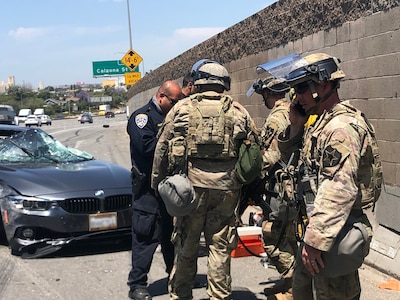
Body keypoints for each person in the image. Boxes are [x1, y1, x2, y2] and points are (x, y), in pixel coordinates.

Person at [151, 59, 259, 300]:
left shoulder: (181, 109)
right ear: (224, 84)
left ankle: (181, 295)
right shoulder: (239, 111)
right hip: (227, 190)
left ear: (198, 81)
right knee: (220, 248)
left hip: (190, 190)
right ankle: (219, 296)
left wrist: (158, 184)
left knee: (186, 247)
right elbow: (253, 154)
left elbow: (161, 150)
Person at [285, 53, 381, 300]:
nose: (298, 97)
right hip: (319, 227)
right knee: (302, 291)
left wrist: (315, 241)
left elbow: (339, 190)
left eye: (302, 89)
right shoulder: (320, 122)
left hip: (335, 233)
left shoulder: (340, 128)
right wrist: (296, 126)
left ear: (324, 84)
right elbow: (290, 160)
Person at [247, 70, 304, 300]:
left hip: (279, 186)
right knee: (289, 236)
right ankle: (290, 283)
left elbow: (269, 156)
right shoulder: (292, 111)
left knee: (273, 237)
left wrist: (251, 181)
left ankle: (293, 287)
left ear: (269, 93)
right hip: (292, 184)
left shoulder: (276, 116)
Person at [127, 80, 182, 300]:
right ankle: (137, 284)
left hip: (168, 188)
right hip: (147, 190)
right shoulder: (142, 118)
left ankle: (175, 277)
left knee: (171, 237)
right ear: (161, 97)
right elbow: (147, 147)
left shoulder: (173, 116)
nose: (178, 105)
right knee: (145, 237)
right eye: (175, 101)